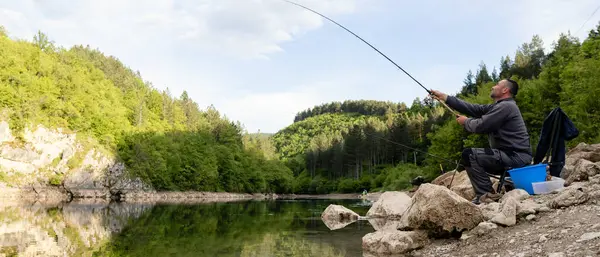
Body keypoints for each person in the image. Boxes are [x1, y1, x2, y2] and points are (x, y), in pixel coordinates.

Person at [430, 79, 532, 204]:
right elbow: (472, 108)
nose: (493, 87)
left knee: (469, 154)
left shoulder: (506, 106)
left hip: (516, 158)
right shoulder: (500, 106)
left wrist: (466, 122)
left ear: (505, 90)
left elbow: (482, 125)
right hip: (512, 156)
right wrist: (444, 97)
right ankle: (486, 194)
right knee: (471, 154)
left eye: (497, 85)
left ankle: (486, 196)